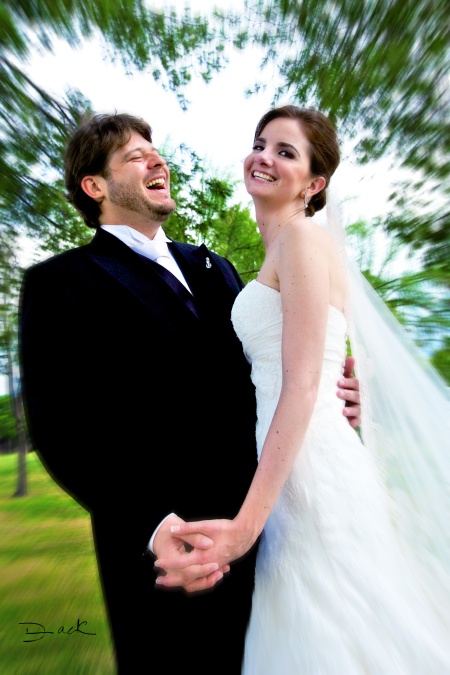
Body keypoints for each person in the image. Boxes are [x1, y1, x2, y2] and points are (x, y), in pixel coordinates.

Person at [17, 112, 362, 673]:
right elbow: (62, 431)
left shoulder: (217, 269)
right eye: (134, 156)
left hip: (268, 530)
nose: (157, 159)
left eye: (155, 149)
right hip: (170, 552)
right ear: (95, 186)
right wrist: (154, 526)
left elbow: (274, 369)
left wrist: (341, 387)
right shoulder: (60, 283)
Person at [155, 105, 450, 673]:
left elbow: (302, 383)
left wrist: (245, 527)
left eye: (285, 151)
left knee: (337, 626)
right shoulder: (278, 250)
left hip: (310, 467)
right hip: (287, 463)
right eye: (260, 143)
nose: (263, 157)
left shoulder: (302, 241)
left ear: (315, 184)